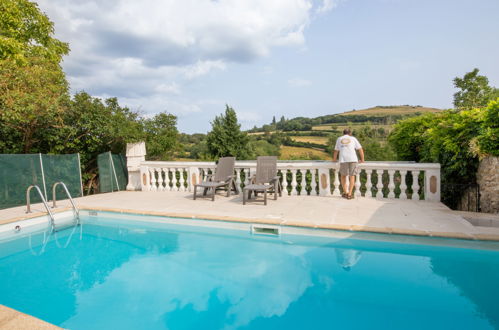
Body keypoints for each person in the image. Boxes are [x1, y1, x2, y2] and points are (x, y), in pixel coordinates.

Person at [332, 129, 365, 199]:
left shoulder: (339, 139)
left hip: (343, 159)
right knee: (352, 176)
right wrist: (362, 159)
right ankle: (350, 194)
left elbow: (336, 150)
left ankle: (345, 192)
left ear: (343, 133)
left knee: (343, 176)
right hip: (353, 159)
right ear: (350, 133)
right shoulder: (353, 138)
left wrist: (334, 159)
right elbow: (360, 149)